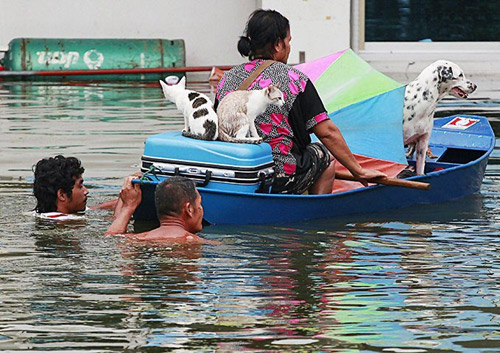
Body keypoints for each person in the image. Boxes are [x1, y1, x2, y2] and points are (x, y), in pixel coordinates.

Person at [215, 9, 387, 195]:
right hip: (278, 174)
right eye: (288, 42)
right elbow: (327, 133)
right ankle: (317, 211)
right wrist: (358, 170)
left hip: (232, 170)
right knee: (324, 154)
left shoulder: (227, 79)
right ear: (278, 44)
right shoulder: (294, 79)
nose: (289, 47)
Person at [105, 176, 212, 244]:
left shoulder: (138, 239)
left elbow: (111, 238)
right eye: (199, 204)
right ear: (189, 209)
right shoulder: (196, 242)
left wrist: (128, 207)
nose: (201, 210)